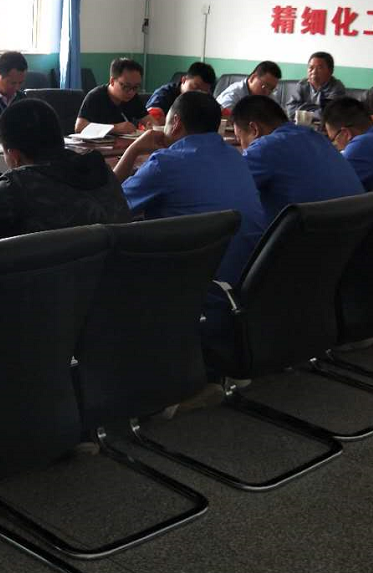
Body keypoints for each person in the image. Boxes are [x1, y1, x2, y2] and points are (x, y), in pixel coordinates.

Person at [114, 91, 268, 389]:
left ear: (175, 124)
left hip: (196, 287)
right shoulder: (236, 157)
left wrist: (133, 150)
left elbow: (111, 206)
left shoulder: (165, 163)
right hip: (245, 282)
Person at [0, 99, 131, 246]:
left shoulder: (18, 184)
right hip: (114, 276)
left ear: (14, 156)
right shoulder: (101, 169)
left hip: (49, 279)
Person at [232, 94, 363, 223]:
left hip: (313, 232)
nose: (242, 146)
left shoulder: (266, 147)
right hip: (356, 227)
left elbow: (229, 188)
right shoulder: (318, 138)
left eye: (240, 138)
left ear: (254, 129)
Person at [75, 57, 154, 134]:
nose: (131, 92)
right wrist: (115, 128)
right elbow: (79, 127)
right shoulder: (95, 96)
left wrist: (152, 127)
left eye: (136, 87)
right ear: (112, 81)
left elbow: (151, 122)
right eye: (126, 86)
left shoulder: (134, 98)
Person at [144, 61, 217, 124]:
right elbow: (150, 119)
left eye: (204, 91)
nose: (198, 93)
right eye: (195, 87)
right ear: (184, 80)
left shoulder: (205, 98)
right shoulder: (164, 94)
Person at [284, 51, 346, 118]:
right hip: (302, 123)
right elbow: (291, 110)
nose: (314, 72)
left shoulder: (336, 87)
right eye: (311, 67)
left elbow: (327, 114)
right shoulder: (302, 84)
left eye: (319, 68)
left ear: (330, 71)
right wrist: (316, 109)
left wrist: (303, 109)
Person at [216, 61, 282, 112]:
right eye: (264, 86)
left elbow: (281, 117)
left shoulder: (269, 95)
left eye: (272, 89)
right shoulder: (234, 94)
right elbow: (226, 117)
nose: (267, 92)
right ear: (253, 78)